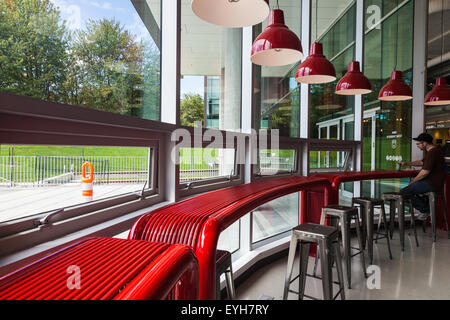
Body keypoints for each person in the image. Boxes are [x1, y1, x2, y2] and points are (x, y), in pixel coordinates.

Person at [398, 133, 446, 220]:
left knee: (403, 192)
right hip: (435, 183)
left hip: (431, 183)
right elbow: (421, 162)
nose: (417, 146)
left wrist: (413, 181)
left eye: (418, 144)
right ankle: (426, 206)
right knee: (411, 191)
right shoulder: (434, 151)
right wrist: (406, 163)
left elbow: (425, 172)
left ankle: (425, 210)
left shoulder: (432, 153)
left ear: (424, 143)